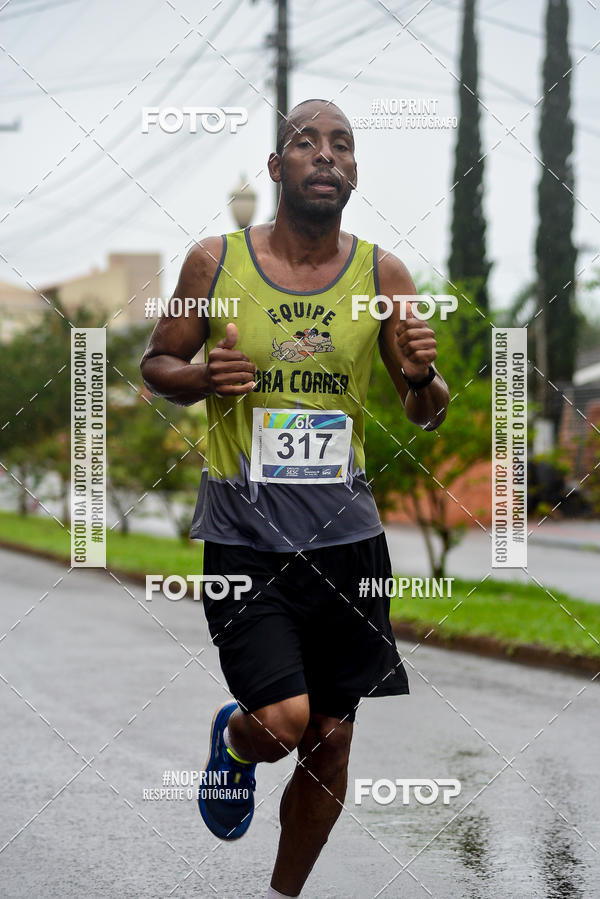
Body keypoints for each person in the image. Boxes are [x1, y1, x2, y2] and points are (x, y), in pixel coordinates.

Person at [140, 98, 449, 898]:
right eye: (304, 143)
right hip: (244, 538)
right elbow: (155, 364)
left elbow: (423, 405)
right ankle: (238, 742)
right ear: (277, 170)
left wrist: (421, 375)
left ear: (353, 172)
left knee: (332, 741)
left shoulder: (385, 274)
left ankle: (282, 896)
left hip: (346, 541)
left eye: (341, 145)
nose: (325, 155)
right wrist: (202, 376)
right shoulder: (212, 261)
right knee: (283, 722)